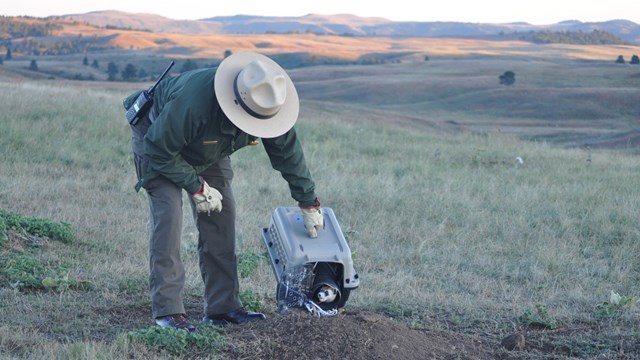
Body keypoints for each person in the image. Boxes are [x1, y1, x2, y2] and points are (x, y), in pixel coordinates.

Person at [124, 52, 324, 332]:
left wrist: (309, 202)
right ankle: (168, 312)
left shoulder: (267, 102)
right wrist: (196, 187)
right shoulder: (194, 102)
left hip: (211, 145)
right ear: (236, 102)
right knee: (168, 220)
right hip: (159, 141)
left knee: (222, 221)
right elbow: (158, 149)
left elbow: (288, 154)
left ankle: (223, 309)